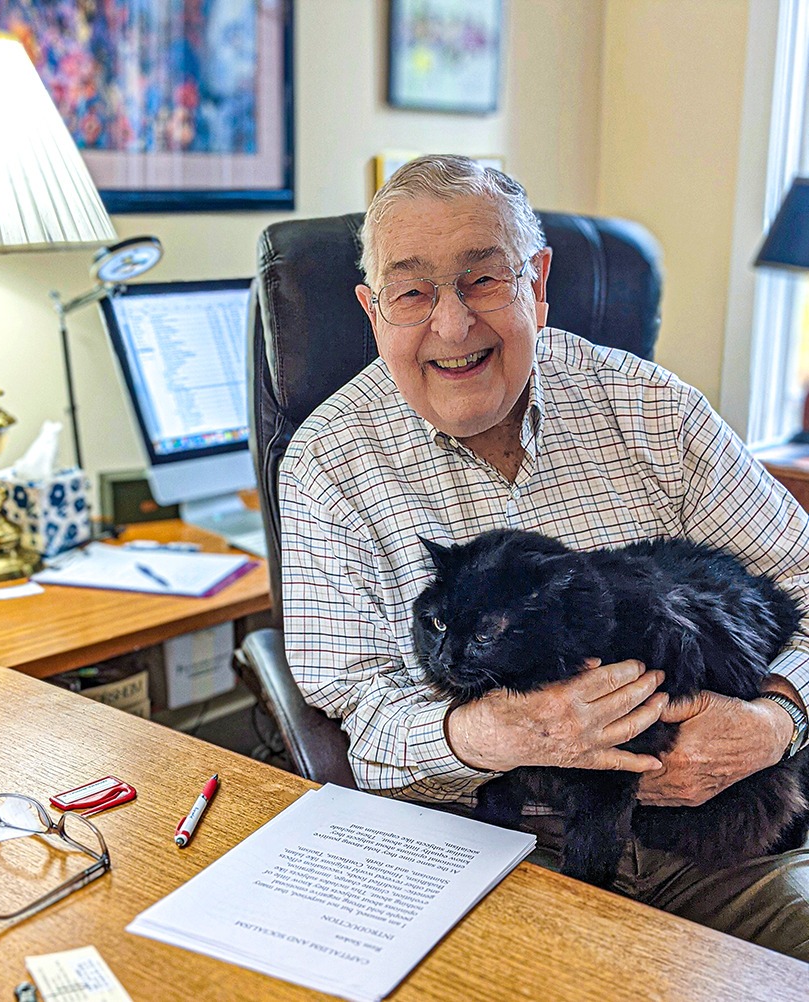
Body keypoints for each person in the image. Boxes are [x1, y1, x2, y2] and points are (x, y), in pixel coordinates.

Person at [280, 154, 809, 960]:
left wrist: (775, 718)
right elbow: (354, 707)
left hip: (718, 834)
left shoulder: (652, 410)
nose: (451, 327)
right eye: (413, 291)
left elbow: (803, 581)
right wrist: (492, 736)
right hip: (481, 848)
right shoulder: (329, 463)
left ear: (537, 281)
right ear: (371, 308)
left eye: (483, 279)